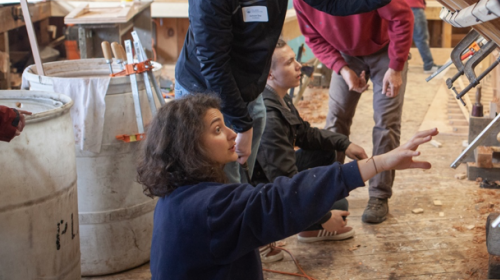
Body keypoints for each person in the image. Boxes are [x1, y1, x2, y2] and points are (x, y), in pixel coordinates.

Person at [173, 0, 414, 184]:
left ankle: (248, 219)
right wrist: (241, 125)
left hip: (248, 86)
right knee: (218, 175)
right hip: (206, 89)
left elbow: (331, 0)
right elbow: (214, 63)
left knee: (243, 171)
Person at [136, 94, 437, 280]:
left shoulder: (174, 196)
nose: (231, 134)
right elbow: (281, 200)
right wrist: (379, 163)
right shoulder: (212, 207)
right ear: (190, 147)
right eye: (217, 129)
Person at [293, 0, 413, 224]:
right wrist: (341, 68)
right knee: (336, 120)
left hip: (384, 49)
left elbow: (401, 18)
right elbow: (312, 37)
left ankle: (379, 194)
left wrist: (395, 67)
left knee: (386, 121)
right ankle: (331, 189)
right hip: (346, 53)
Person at [254, 38, 368, 244]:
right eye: (289, 63)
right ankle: (309, 227)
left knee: (326, 150)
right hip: (263, 190)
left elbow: (307, 135)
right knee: (338, 205)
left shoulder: (279, 96)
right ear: (270, 74)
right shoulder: (269, 117)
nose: (299, 65)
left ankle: (309, 219)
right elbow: (283, 181)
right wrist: (322, 217)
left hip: (276, 175)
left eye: (294, 60)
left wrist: (344, 143)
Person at [403, 0, 439, 73]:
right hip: (415, 8)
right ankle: (429, 65)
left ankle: (400, 66)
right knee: (421, 39)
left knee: (402, 38)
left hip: (403, 6)